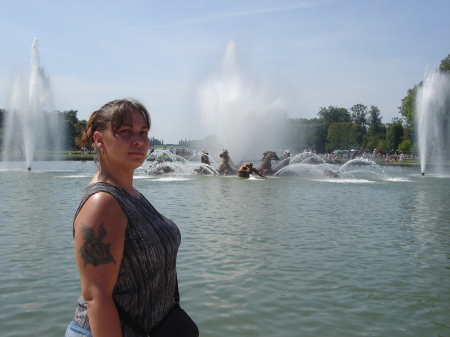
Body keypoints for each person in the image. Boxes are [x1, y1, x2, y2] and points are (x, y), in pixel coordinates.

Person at [65, 99, 187, 337]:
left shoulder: (129, 194)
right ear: (99, 140)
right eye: (124, 132)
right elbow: (96, 297)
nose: (138, 140)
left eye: (143, 132)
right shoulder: (103, 202)